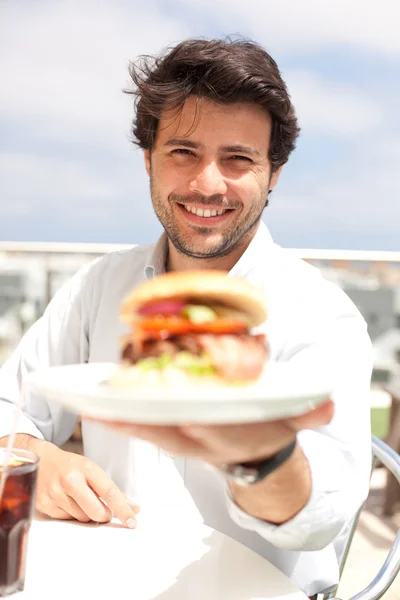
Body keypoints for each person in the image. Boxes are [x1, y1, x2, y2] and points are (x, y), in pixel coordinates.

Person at [0, 38, 373, 596]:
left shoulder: (322, 316)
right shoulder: (99, 288)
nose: (207, 184)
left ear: (273, 174)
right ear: (148, 159)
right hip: (104, 577)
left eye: (238, 159)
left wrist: (257, 456)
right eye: (183, 152)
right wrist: (39, 458)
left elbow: (320, 518)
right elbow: (10, 406)